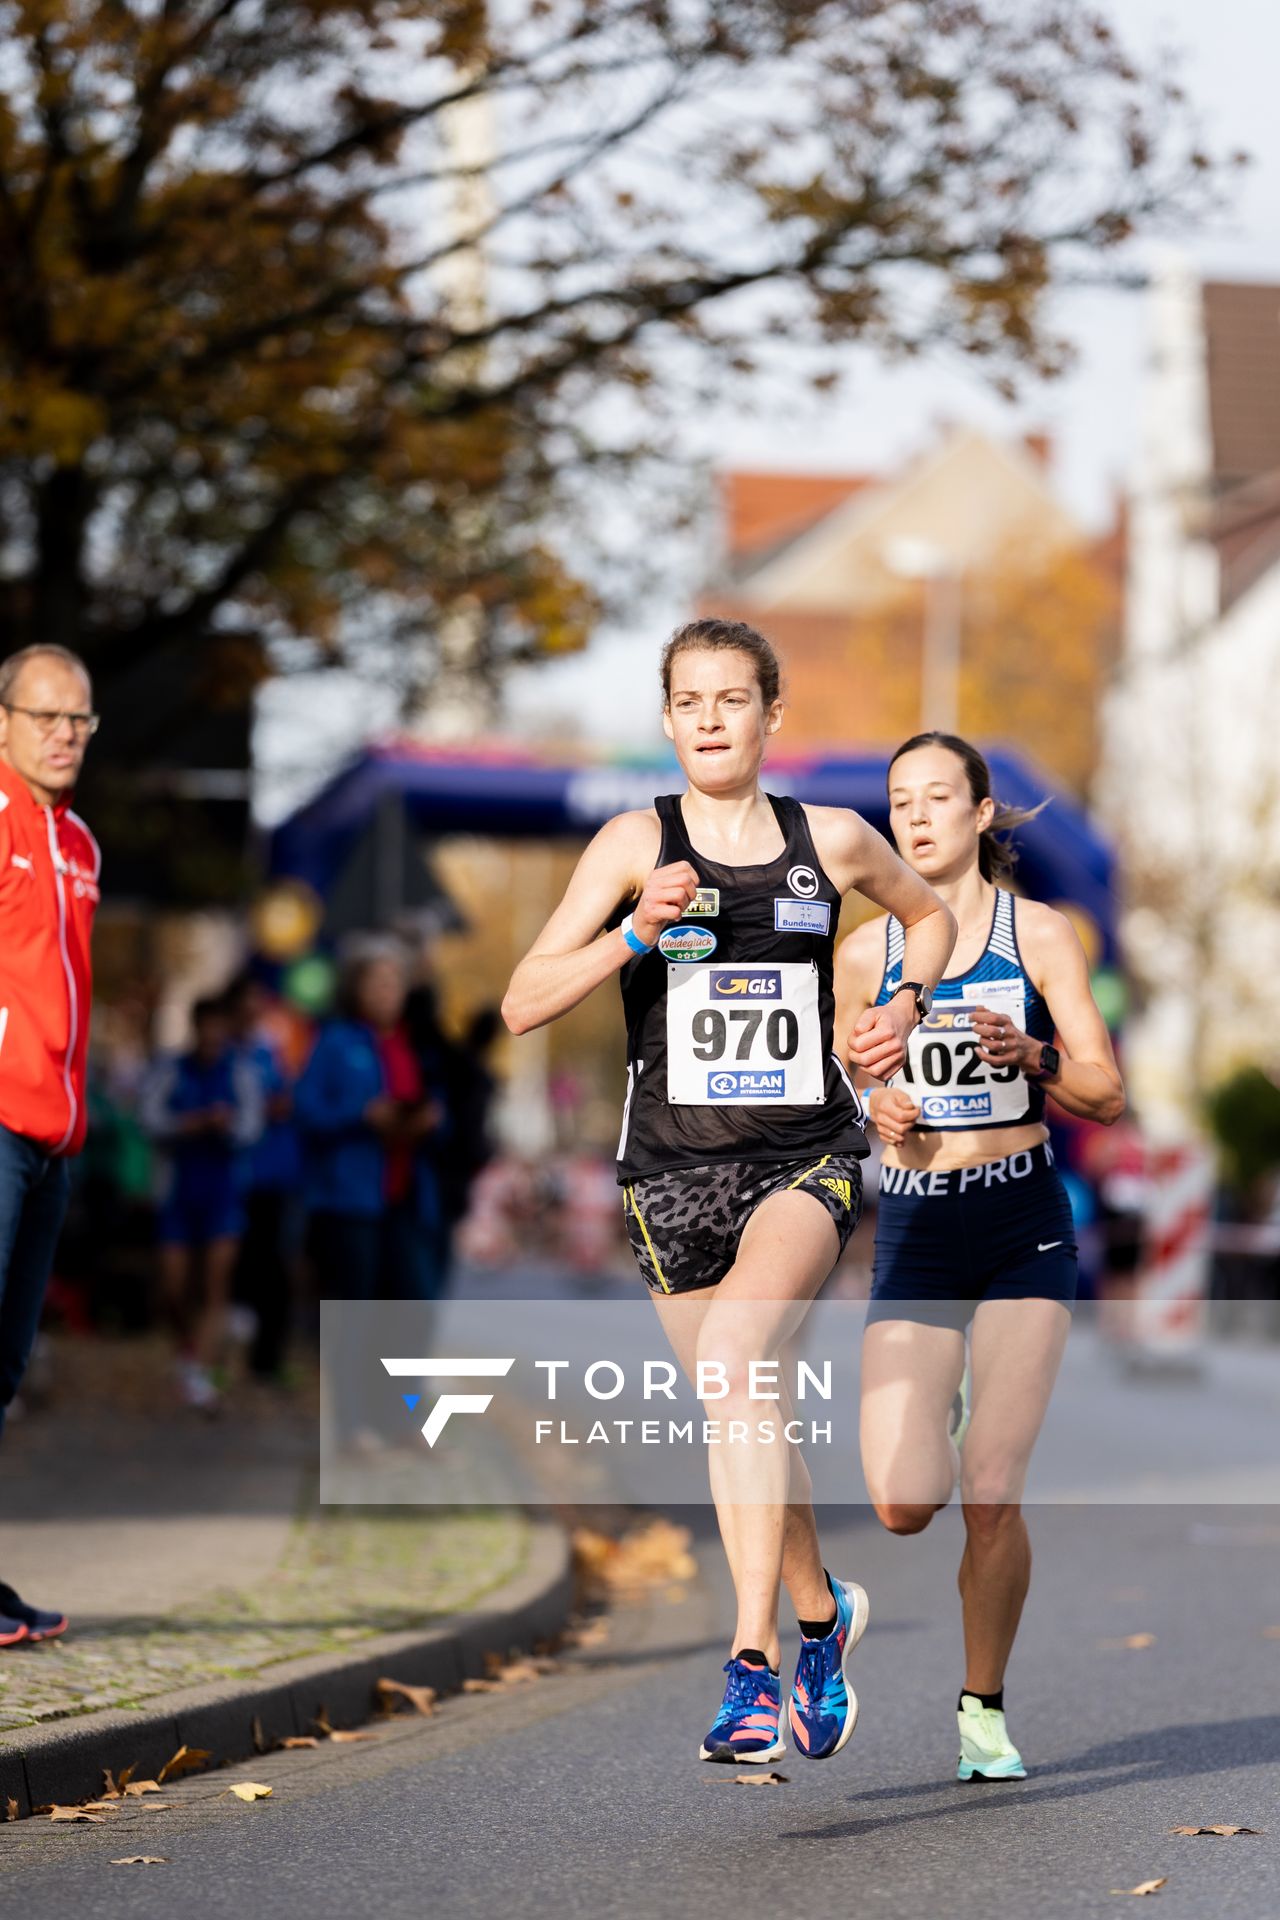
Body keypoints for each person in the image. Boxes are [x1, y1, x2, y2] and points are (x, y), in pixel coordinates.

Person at [503, 618, 955, 1764]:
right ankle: (821, 1617)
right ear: (668, 721)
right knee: (741, 1412)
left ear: (769, 717)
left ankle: (747, 1667)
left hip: (801, 1153)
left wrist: (903, 1003)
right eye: (689, 701)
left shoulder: (832, 840)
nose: (710, 718)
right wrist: (631, 936)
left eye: (731, 699)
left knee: (739, 1364)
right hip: (667, 1174)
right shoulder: (627, 846)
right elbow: (521, 1001)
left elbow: (929, 914)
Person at [835, 731, 1125, 1782]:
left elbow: (1104, 1088)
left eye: (934, 798)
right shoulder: (862, 953)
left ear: (980, 810)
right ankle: (943, 1396)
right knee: (903, 1503)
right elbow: (839, 1087)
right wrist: (877, 1101)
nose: (912, 817)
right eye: (897, 801)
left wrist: (1033, 1055)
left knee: (989, 1494)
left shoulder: (1039, 934)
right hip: (915, 1223)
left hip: (1020, 1225)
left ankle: (981, 1706)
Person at [0, 642, 103, 1646]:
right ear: (3, 722)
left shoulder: (79, 841)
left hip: (53, 1136)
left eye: (79, 720)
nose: (65, 735)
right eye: (45, 717)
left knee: (4, 1368)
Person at [140, 994, 263, 1412]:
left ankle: (200, 1371)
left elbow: (251, 1126)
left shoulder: (240, 1072)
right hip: (179, 1189)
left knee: (215, 1282)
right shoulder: (173, 1069)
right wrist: (187, 1125)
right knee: (174, 1287)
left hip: (223, 1191)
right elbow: (148, 1117)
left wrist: (226, 1127)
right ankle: (189, 1349)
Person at [227, 971, 304, 1382]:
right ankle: (219, 1358)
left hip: (274, 1174)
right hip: (230, 1175)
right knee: (235, 1267)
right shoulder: (223, 1051)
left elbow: (288, 1096)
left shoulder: (271, 1048)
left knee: (274, 1267)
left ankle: (266, 1360)